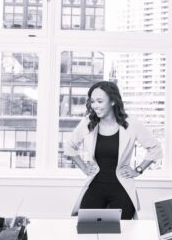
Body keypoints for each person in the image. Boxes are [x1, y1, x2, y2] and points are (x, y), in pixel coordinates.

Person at [65, 81, 162, 219]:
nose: (95, 106)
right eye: (92, 101)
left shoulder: (131, 123)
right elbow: (70, 147)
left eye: (100, 101)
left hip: (122, 189)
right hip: (96, 186)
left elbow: (155, 148)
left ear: (112, 101)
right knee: (87, 230)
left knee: (121, 234)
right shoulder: (88, 123)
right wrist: (84, 168)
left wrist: (138, 170)